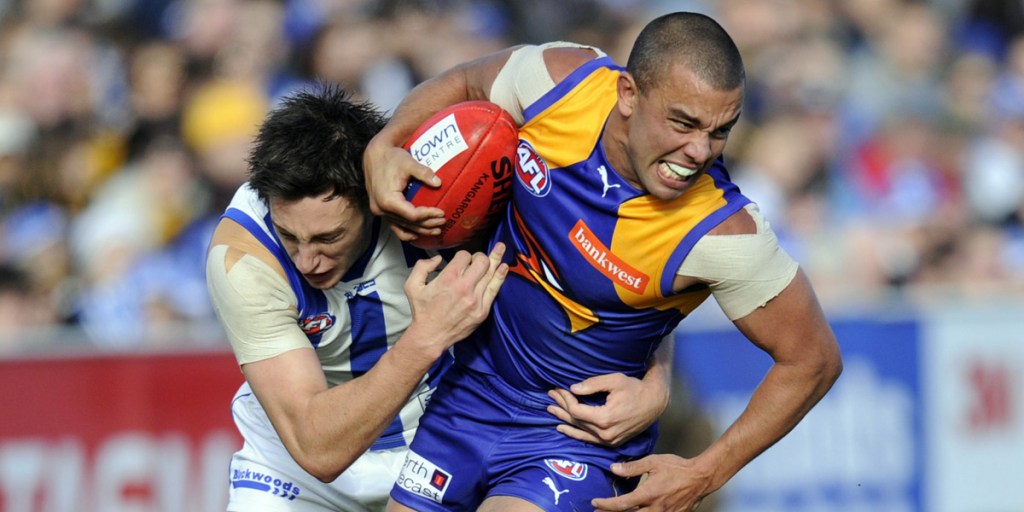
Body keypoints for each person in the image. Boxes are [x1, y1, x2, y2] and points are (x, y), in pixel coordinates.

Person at [363, 11, 843, 512]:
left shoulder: (724, 233)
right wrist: (388, 140)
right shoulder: (558, 82)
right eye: (684, 123)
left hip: (574, 440)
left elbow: (813, 360)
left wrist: (703, 472)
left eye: (721, 131)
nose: (699, 151)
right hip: (463, 401)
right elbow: (465, 82)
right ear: (628, 95)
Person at [206, 85, 670, 512]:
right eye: (290, 235)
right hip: (294, 474)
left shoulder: (450, 192)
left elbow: (611, 277)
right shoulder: (244, 258)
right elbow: (316, 447)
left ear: (372, 198)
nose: (307, 261)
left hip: (438, 443)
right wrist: (426, 337)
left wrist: (657, 380)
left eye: (329, 237)